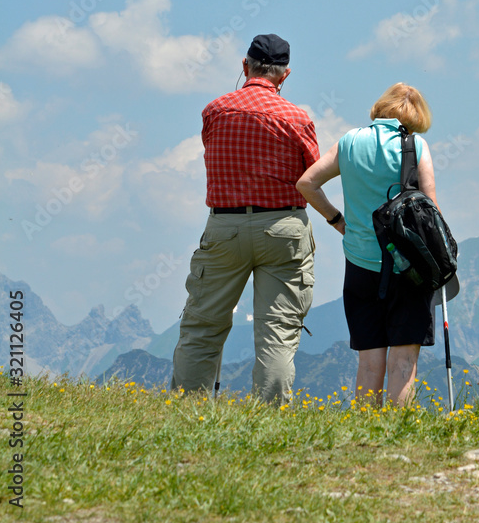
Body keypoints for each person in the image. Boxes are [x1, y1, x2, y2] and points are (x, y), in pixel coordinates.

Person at [171, 33, 343, 402]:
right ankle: (270, 416)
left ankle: (186, 410)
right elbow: (310, 178)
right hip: (284, 227)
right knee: (277, 331)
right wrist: (336, 219)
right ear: (285, 75)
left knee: (202, 324)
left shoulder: (214, 111)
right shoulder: (297, 119)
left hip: (225, 225)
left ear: (245, 66)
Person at [296, 82, 437, 406]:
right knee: (403, 360)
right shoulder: (415, 146)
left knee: (369, 359)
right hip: (407, 267)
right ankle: (396, 434)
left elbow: (307, 182)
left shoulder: (349, 142)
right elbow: (430, 208)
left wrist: (337, 221)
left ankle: (366, 433)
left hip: (359, 263)